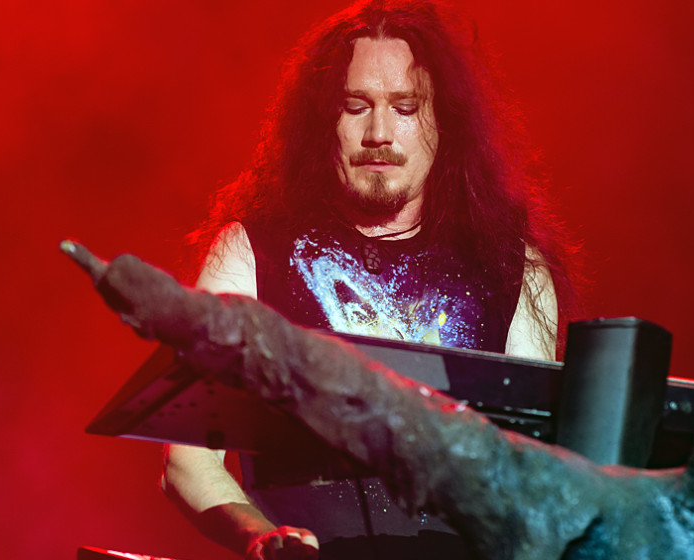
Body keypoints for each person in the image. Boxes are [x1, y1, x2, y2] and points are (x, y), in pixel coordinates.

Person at [160, 1, 580, 558]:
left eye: (405, 108)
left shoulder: (512, 267)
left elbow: (533, 473)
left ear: (444, 121)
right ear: (324, 121)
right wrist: (260, 536)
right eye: (355, 106)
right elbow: (187, 458)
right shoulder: (251, 253)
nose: (378, 133)